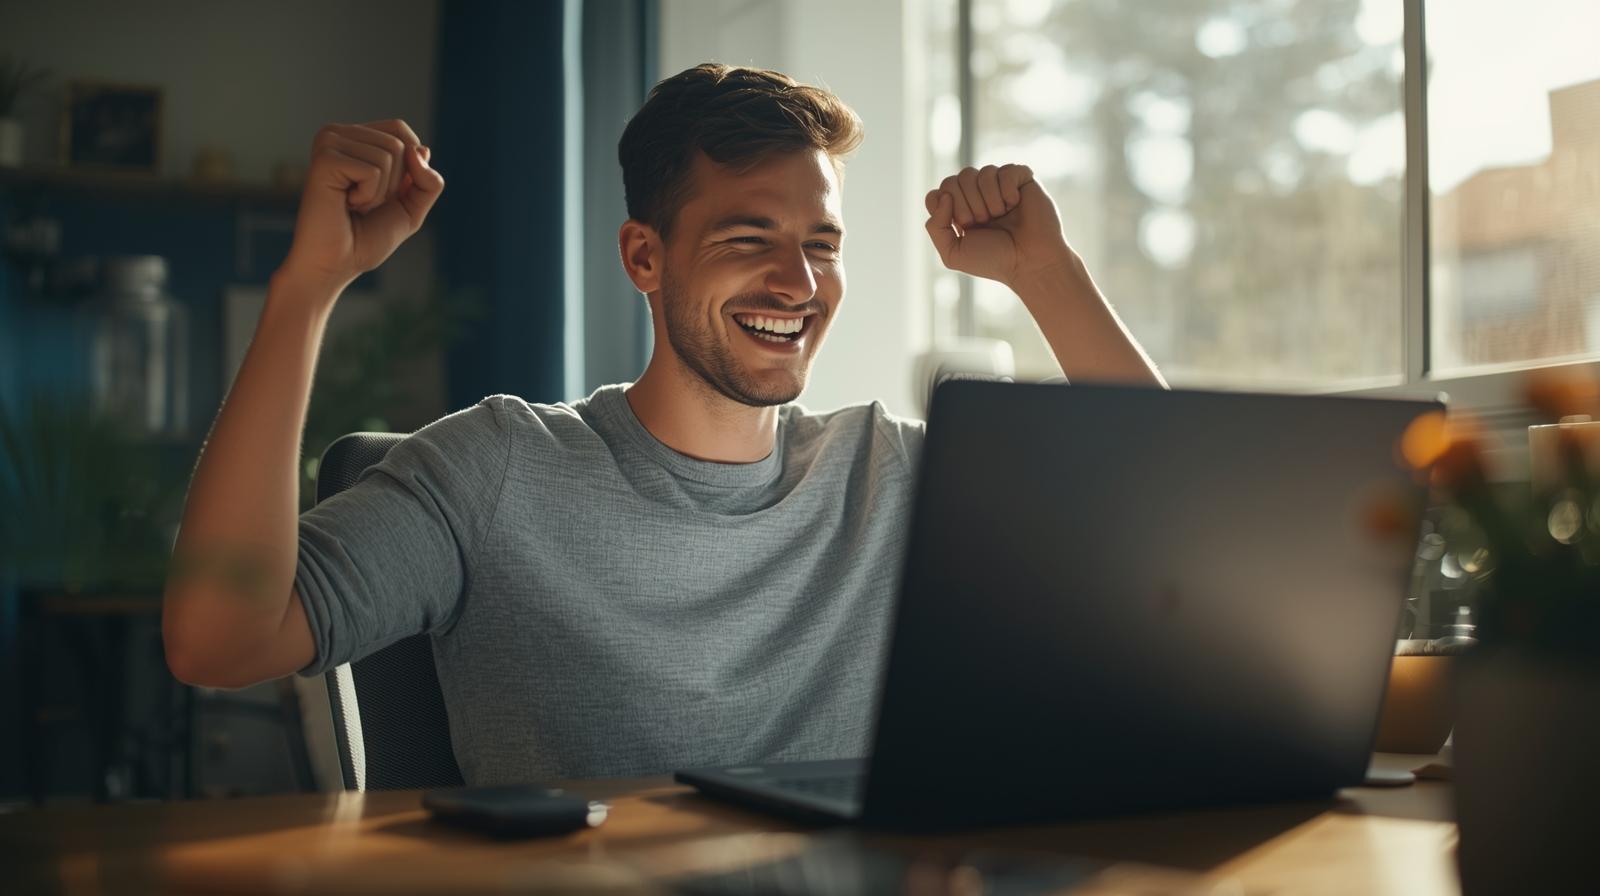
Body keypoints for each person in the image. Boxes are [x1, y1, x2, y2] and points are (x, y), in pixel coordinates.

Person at [161, 63, 1164, 783]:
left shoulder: (893, 473)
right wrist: (307, 289)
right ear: (644, 257)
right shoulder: (496, 468)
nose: (798, 282)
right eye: (748, 238)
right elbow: (218, 637)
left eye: (822, 244)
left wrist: (1045, 274)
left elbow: (1176, 542)